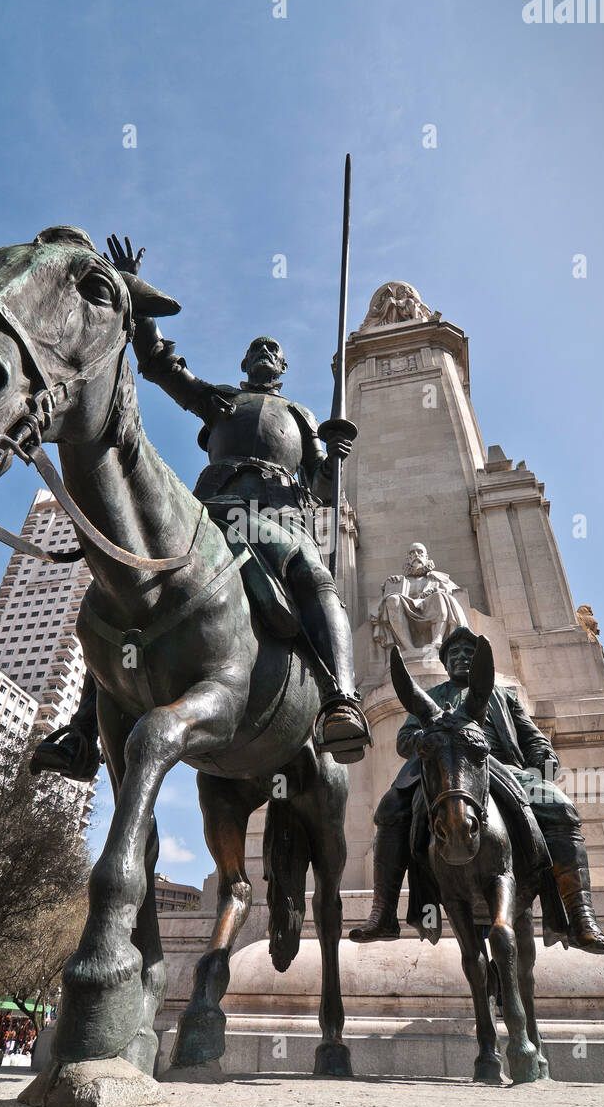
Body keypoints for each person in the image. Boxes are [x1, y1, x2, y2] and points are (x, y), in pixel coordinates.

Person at [32, 237, 371, 771]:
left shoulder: (303, 418)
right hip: (208, 514)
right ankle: (80, 732)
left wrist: (335, 453)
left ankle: (341, 700)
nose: (263, 355)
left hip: (275, 520)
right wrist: (130, 295)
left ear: (281, 367)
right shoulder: (222, 401)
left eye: (272, 352)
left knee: (314, 578)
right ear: (244, 363)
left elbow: (326, 489)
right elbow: (162, 367)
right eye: (255, 350)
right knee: (121, 593)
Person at [350, 625, 604, 953]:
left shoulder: (504, 696)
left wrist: (543, 768)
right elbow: (405, 740)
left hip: (501, 768)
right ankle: (384, 913)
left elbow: (533, 740)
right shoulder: (432, 696)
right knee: (389, 808)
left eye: (468, 653)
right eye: (454, 654)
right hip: (445, 770)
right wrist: (433, 740)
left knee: (562, 809)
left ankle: (581, 917)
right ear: (445, 664)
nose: (461, 658)